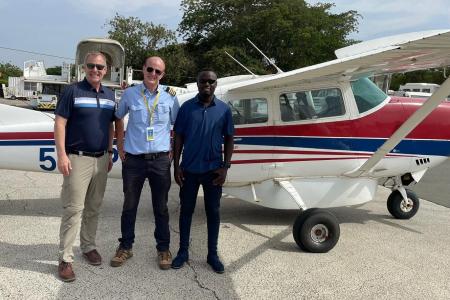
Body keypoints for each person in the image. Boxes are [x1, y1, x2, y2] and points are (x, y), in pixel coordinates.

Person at [55, 52, 123, 282]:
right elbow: (60, 123)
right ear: (85, 67)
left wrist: (111, 150)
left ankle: (88, 246)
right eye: (92, 66)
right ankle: (65, 259)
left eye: (100, 67)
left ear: (106, 70)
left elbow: (114, 124)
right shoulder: (72, 91)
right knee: (74, 209)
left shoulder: (110, 95)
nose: (96, 70)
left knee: (94, 207)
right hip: (77, 158)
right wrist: (62, 155)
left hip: (102, 158)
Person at [110, 56, 179, 270]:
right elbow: (117, 117)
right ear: (143, 69)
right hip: (134, 160)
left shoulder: (169, 96)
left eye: (158, 71)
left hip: (160, 161)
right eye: (150, 69)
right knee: (129, 206)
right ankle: (125, 247)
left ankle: (163, 248)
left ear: (162, 75)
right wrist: (120, 146)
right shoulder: (130, 94)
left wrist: (172, 152)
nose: (153, 74)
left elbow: (178, 125)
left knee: (161, 207)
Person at [171, 70, 234, 273]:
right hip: (189, 170)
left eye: (211, 81)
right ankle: (183, 252)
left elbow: (230, 138)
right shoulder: (186, 108)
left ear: (216, 84)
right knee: (186, 212)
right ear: (197, 84)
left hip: (213, 171)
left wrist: (225, 167)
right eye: (203, 81)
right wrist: (176, 165)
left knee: (213, 213)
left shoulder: (224, 110)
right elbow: (178, 137)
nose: (207, 84)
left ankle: (212, 255)